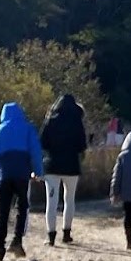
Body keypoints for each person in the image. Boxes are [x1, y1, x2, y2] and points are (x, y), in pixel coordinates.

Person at [0, 101, 43, 261]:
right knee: (22, 207)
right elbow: (35, 152)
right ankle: (17, 240)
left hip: (2, 176)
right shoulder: (28, 129)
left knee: (2, 211)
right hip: (22, 175)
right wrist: (38, 172)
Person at [39, 94, 86, 245]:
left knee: (51, 202)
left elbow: (42, 143)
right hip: (72, 166)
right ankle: (66, 233)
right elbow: (82, 146)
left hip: (52, 166)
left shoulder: (50, 121)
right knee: (69, 200)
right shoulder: (77, 122)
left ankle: (51, 236)